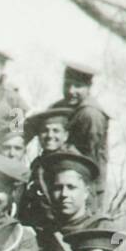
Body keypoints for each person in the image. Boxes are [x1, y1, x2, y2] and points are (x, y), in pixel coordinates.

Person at [34, 150, 114, 251]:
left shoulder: (103, 228)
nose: (64, 194)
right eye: (58, 188)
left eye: (71, 187)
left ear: (86, 192)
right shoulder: (43, 235)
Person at [49, 63, 109, 198]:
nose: (71, 91)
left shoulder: (90, 114)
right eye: (67, 84)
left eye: (77, 86)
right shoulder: (56, 107)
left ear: (88, 87)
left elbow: (89, 157)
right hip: (52, 178)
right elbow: (22, 132)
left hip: (80, 183)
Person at [17, 108, 72, 231]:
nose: (50, 136)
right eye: (44, 131)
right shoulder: (38, 163)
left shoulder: (70, 163)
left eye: (56, 131)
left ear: (66, 135)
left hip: (60, 229)